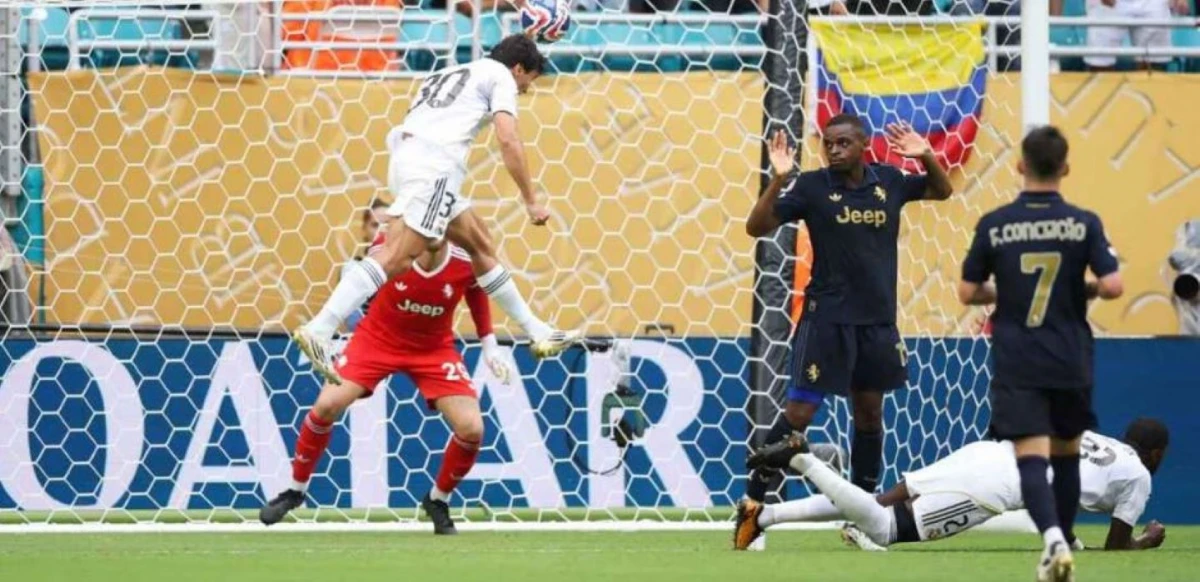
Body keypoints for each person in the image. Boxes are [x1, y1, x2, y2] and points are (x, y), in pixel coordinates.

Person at [293, 34, 579, 385]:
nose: (524, 91)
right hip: (435, 168)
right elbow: (508, 138)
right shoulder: (500, 76)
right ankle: (319, 330)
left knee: (480, 244)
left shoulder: (451, 71)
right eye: (527, 82)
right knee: (397, 257)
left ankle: (537, 330)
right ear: (518, 68)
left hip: (406, 161)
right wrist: (531, 198)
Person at [737, 117, 953, 549]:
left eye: (843, 143)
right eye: (828, 144)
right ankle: (751, 507)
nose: (833, 150)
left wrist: (927, 153)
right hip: (826, 322)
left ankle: (863, 517)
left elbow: (942, 190)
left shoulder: (889, 182)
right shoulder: (813, 187)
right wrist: (779, 180)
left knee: (870, 414)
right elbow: (756, 227)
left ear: (863, 145)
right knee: (798, 416)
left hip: (876, 323)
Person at [261, 236, 516, 535]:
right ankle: (295, 491)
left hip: (433, 348)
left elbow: (475, 290)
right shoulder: (391, 245)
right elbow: (357, 280)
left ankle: (438, 500)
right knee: (326, 405)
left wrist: (489, 345)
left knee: (472, 428)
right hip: (376, 339)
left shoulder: (465, 257)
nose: (434, 229)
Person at [957, 125, 1124, 581]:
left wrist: (1010, 288)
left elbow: (968, 291)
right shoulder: (1083, 222)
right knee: (1067, 453)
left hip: (1019, 356)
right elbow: (1113, 286)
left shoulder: (995, 224)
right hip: (1070, 356)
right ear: (1065, 168)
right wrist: (1081, 285)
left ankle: (1051, 539)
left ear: (1019, 166)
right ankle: (1063, 541)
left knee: (1030, 456)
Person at [738, 419, 1169, 553]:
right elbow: (1116, 549)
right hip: (995, 486)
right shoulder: (1138, 475)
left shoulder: (1098, 439)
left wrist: (1069, 542)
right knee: (885, 528)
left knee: (875, 502)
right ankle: (801, 457)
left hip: (989, 452)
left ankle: (764, 516)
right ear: (1155, 453)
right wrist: (1144, 542)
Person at [343, 198, 390, 332]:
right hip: (365, 343)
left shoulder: (408, 268)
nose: (382, 231)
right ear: (364, 228)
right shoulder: (353, 268)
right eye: (375, 225)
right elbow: (353, 321)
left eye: (387, 225)